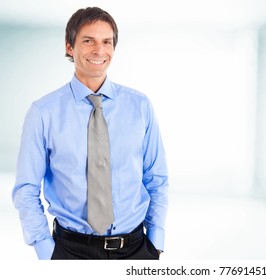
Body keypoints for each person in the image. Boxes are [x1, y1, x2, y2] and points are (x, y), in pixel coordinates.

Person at [12, 7, 169, 260]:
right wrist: (47, 252)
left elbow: (156, 177)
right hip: (70, 251)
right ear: (70, 47)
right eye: (88, 41)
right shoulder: (43, 112)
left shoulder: (140, 106)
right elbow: (26, 189)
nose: (99, 50)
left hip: (137, 249)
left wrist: (155, 241)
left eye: (107, 42)